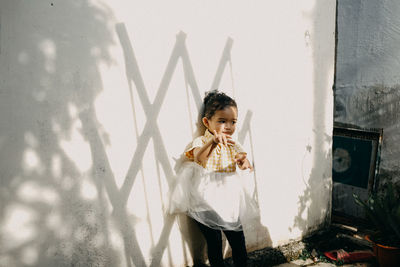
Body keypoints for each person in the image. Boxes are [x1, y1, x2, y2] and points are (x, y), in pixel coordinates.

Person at [169, 90, 255, 267]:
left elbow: (241, 159)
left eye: (233, 122)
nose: (228, 126)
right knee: (214, 240)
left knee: (237, 237)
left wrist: (243, 161)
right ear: (207, 122)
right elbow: (200, 158)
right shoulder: (201, 141)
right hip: (206, 198)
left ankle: (242, 264)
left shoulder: (233, 142)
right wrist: (213, 142)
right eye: (222, 121)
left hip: (229, 196)